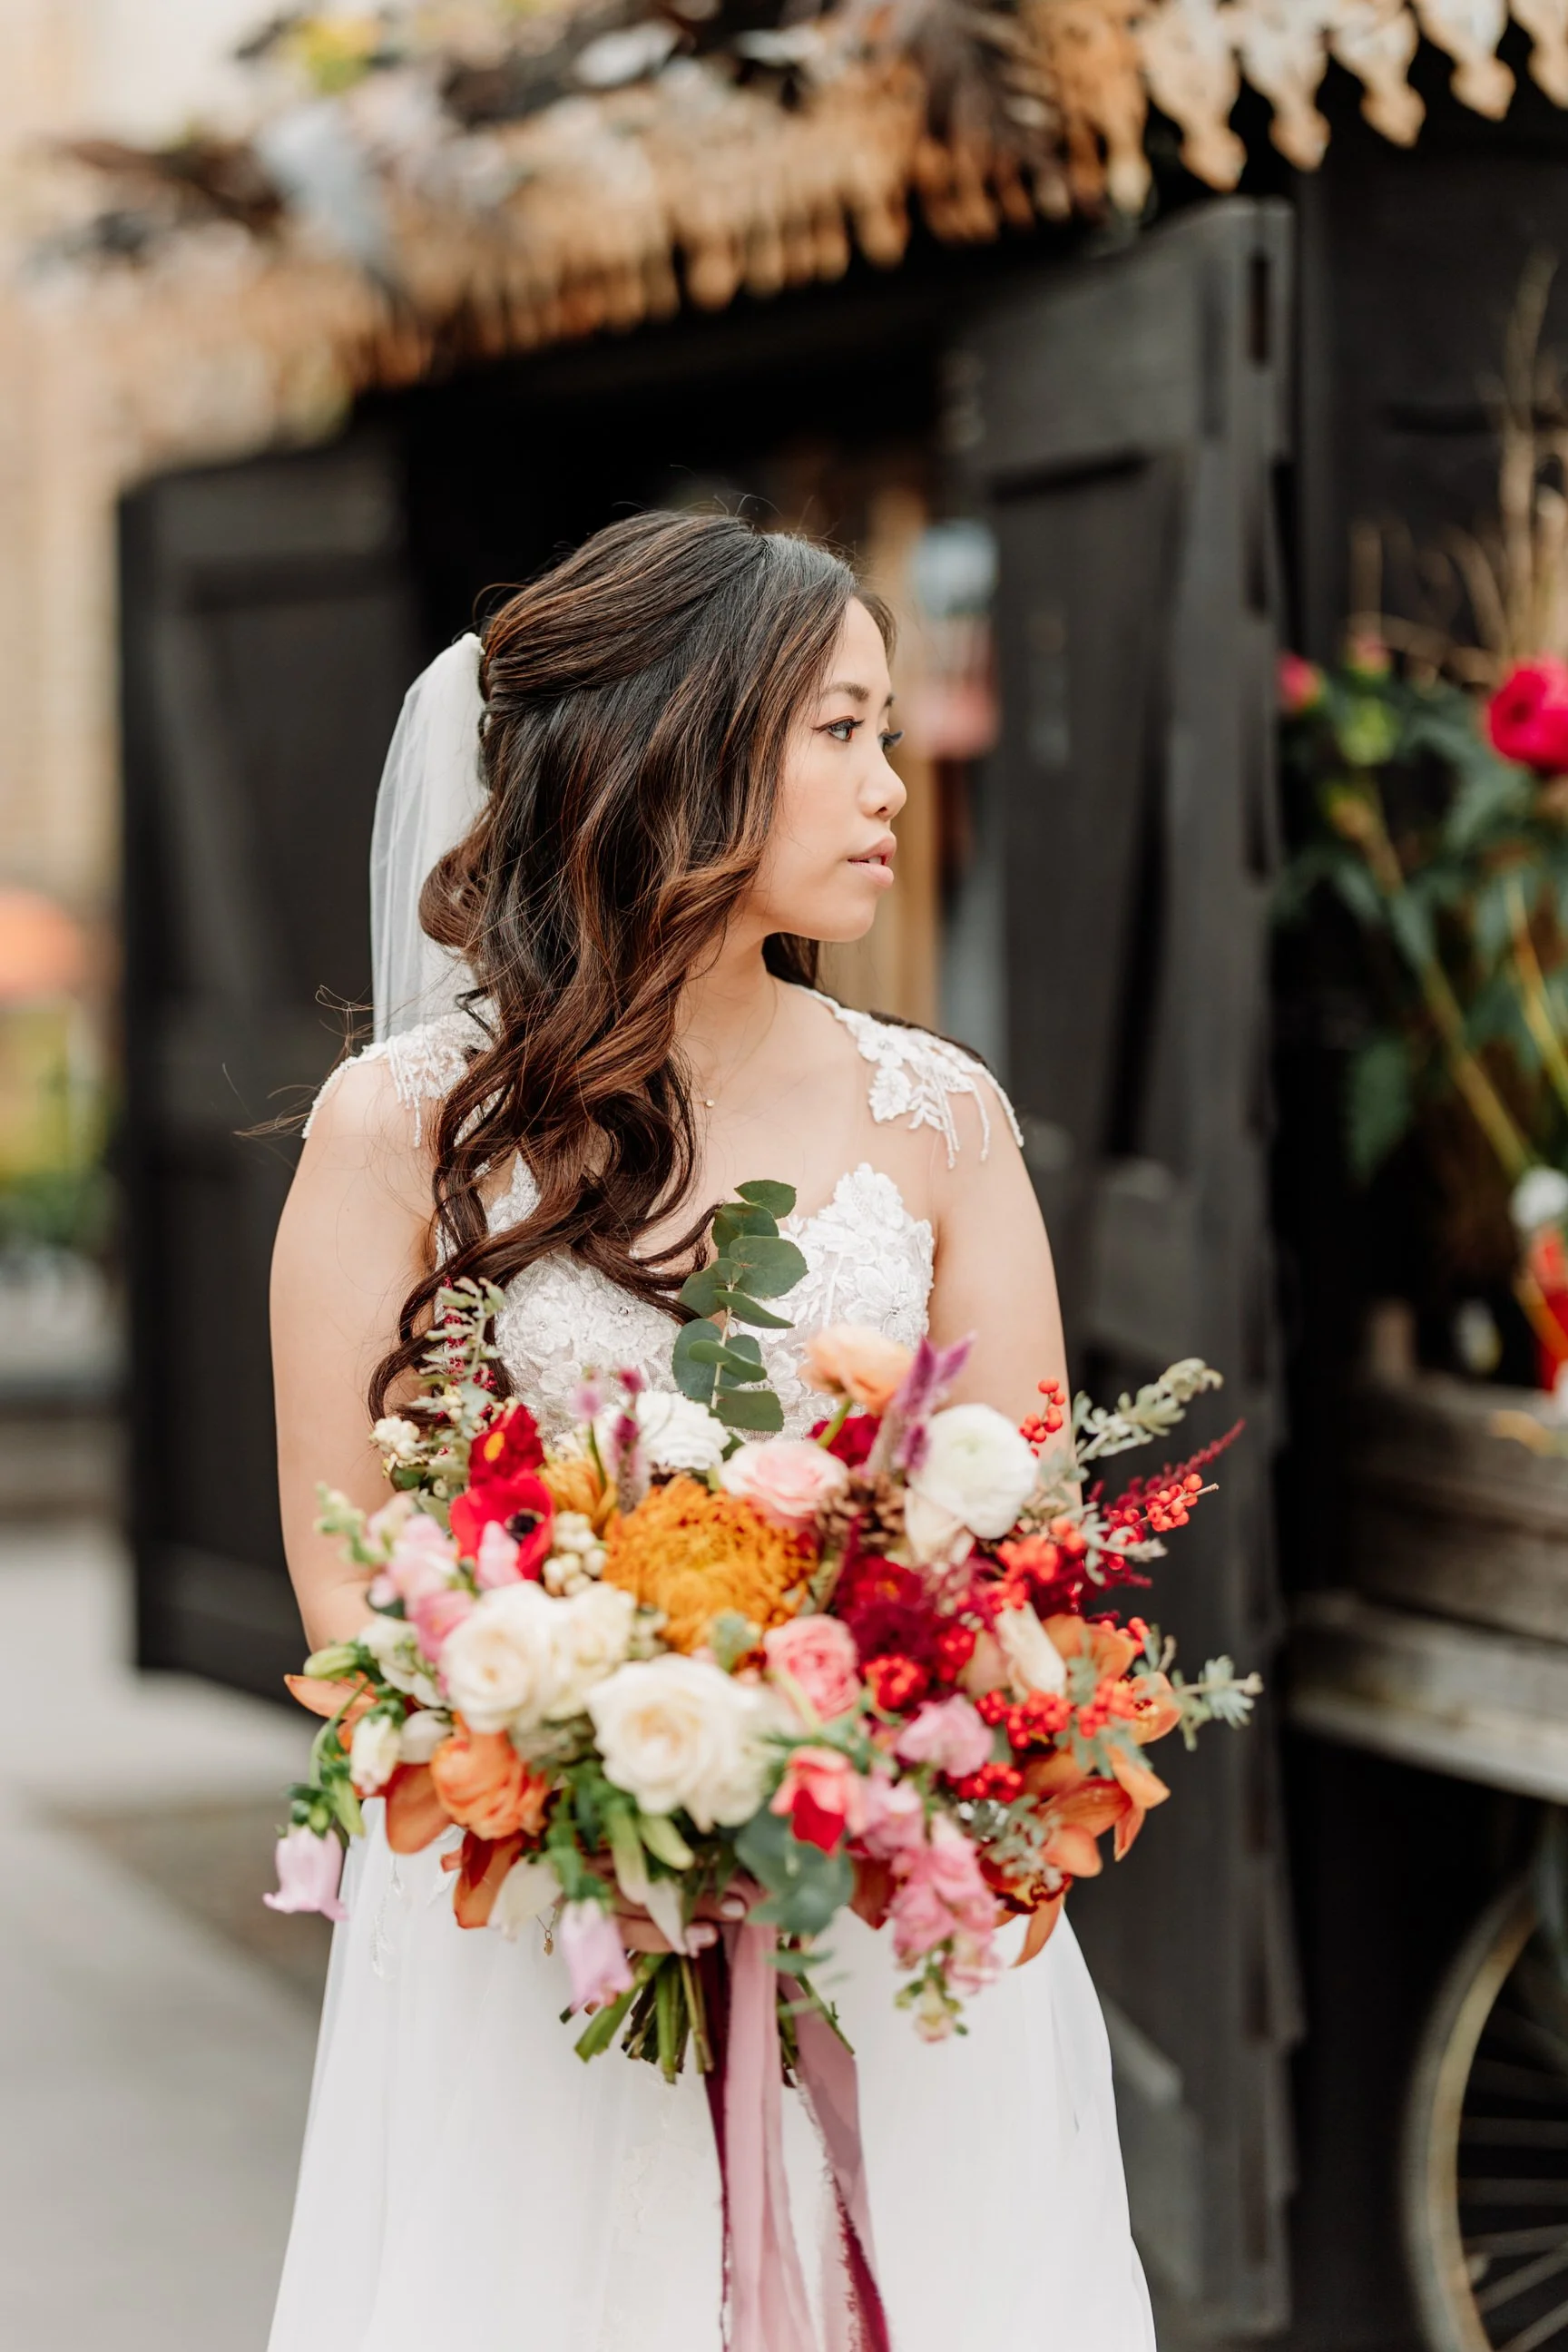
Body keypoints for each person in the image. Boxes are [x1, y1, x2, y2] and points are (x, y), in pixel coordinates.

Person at [267, 511, 1153, 2352]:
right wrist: (615, 1804)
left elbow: (1032, 1542)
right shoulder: (400, 1131)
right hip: (545, 1944)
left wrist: (878, 1761)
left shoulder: (941, 1119)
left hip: (888, 1907)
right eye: (840, 729)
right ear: (677, 737)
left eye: (887, 731)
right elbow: (354, 1595)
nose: (889, 781)